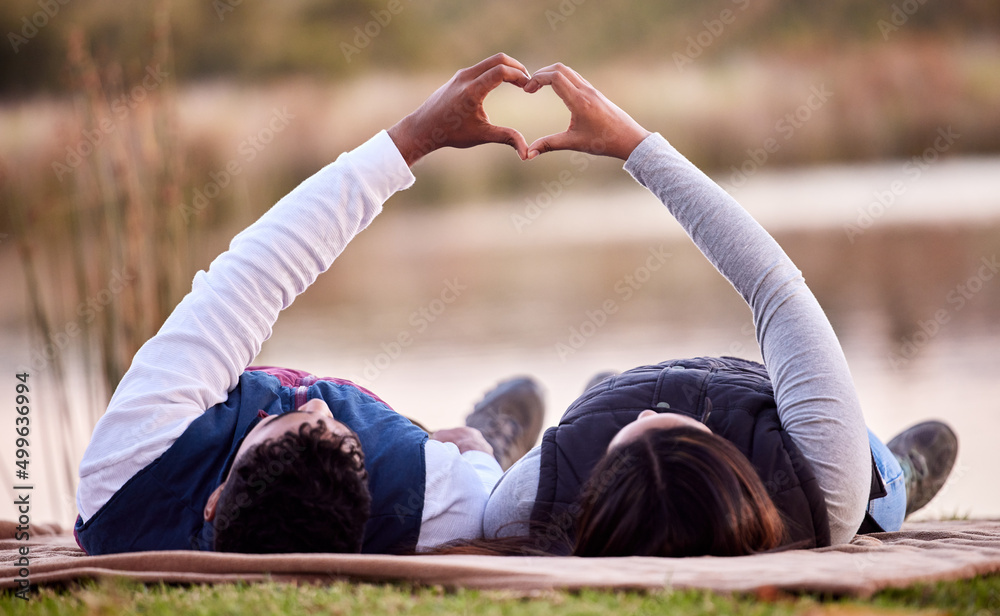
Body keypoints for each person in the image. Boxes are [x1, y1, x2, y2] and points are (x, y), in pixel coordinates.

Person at [470, 62, 960, 557]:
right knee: (872, 489)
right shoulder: (824, 488)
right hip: (772, 416)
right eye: (676, 427)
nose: (648, 409)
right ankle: (896, 475)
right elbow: (773, 285)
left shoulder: (525, 506)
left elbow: (477, 501)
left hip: (588, 437)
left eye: (624, 438)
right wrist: (637, 147)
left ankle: (500, 438)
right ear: (730, 468)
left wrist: (477, 458)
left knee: (539, 437)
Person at [73, 54, 547, 556]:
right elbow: (484, 495)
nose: (316, 404)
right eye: (341, 437)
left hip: (174, 449)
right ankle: (491, 434)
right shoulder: (432, 497)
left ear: (216, 500)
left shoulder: (124, 472)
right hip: (413, 465)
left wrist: (416, 136)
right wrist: (476, 454)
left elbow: (260, 270)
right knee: (477, 451)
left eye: (274, 425)